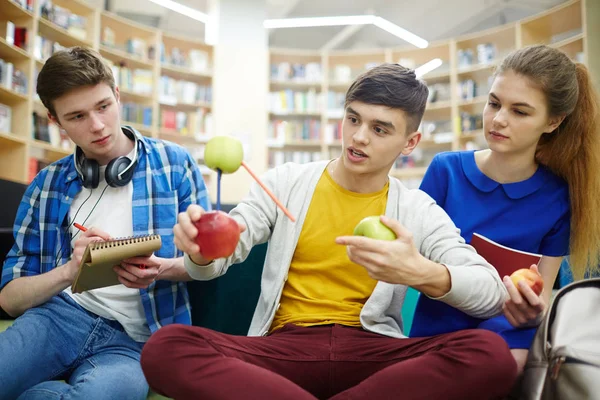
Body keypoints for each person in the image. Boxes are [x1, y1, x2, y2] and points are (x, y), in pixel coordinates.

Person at [140, 63, 518, 400]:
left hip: (372, 354)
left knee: (490, 354)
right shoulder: (285, 182)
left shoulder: (417, 209)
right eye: (353, 119)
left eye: (379, 129)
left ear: (410, 143)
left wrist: (418, 271)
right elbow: (224, 251)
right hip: (282, 351)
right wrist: (202, 246)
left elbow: (490, 293)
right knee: (165, 347)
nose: (358, 137)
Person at [0, 47, 211, 399]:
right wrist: (70, 271)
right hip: (57, 319)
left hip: (135, 342)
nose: (97, 126)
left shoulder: (175, 164)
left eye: (103, 107)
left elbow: (210, 265)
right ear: (55, 121)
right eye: (77, 116)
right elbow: (9, 300)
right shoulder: (46, 185)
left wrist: (163, 269)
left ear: (117, 95)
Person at [410, 44, 600, 374]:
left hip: (506, 337)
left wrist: (530, 309)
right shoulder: (446, 172)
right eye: (494, 103)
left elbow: (539, 297)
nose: (498, 120)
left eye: (520, 111)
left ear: (553, 122)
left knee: (504, 362)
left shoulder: (559, 198)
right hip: (436, 327)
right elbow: (410, 264)